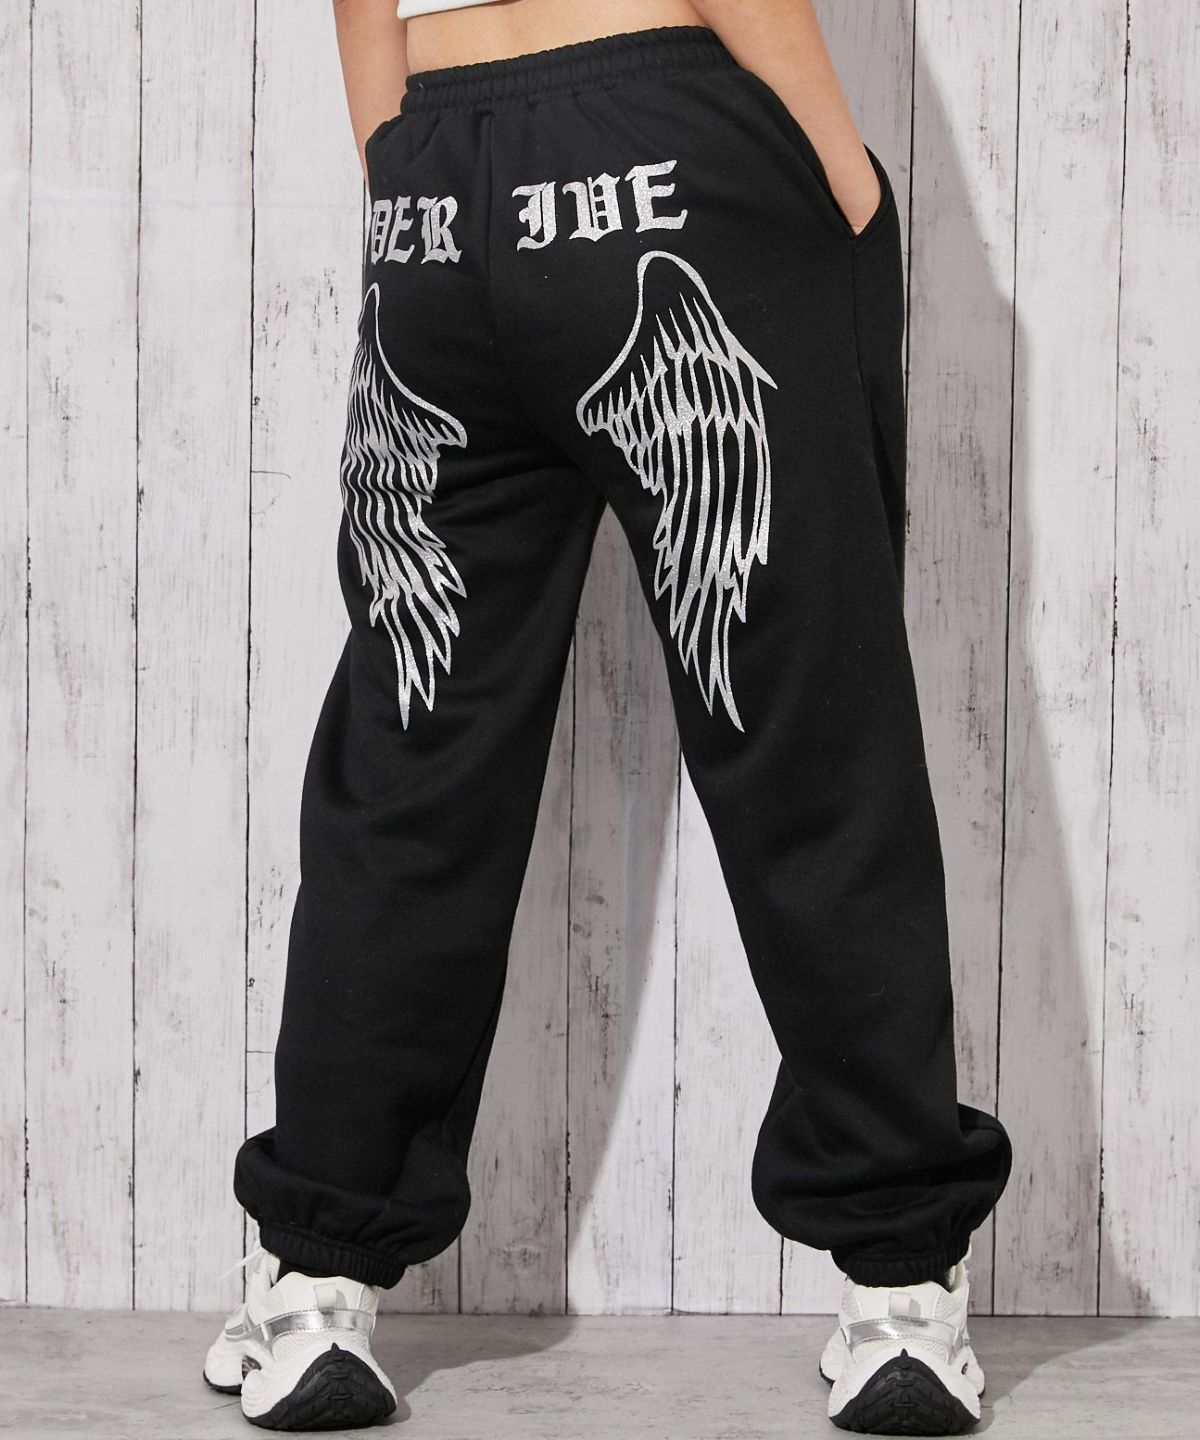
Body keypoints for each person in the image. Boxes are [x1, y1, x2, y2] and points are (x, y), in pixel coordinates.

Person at [203, 0, 1014, 1432]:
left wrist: (412, 175)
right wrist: (844, 183)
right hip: (674, 156)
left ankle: (315, 1281)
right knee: (809, 735)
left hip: (437, 180)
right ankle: (900, 1289)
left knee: (415, 747)